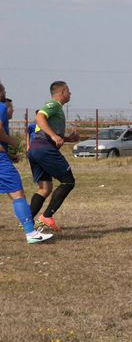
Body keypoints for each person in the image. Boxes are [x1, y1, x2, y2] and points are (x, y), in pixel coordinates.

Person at [0, 83, 53, 243]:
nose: (4, 93)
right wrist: (13, 142)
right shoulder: (1, 107)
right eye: (3, 90)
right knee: (17, 193)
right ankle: (31, 233)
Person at [26, 80, 79, 232]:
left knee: (45, 188)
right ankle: (46, 217)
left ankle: (27, 221)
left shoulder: (58, 109)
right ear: (62, 92)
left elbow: (46, 130)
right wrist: (54, 136)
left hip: (36, 150)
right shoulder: (53, 105)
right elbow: (39, 117)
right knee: (68, 182)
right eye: (68, 90)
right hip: (44, 149)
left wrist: (67, 139)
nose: (70, 93)